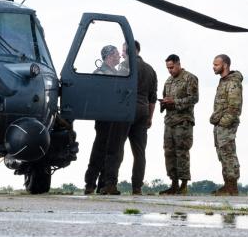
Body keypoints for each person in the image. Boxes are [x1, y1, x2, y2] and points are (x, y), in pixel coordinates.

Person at [113, 40, 157, 195]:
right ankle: (137, 187)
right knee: (139, 152)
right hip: (143, 112)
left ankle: (111, 184)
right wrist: (150, 117)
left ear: (132, 50)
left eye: (124, 51)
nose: (122, 54)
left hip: (126, 111)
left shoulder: (125, 65)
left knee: (117, 148)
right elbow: (153, 98)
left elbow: (117, 89)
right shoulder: (151, 70)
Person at [83, 45, 126, 194]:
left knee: (109, 151)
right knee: (99, 150)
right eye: (116, 54)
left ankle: (102, 184)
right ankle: (90, 183)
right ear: (109, 56)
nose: (119, 56)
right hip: (104, 119)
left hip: (113, 117)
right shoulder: (100, 73)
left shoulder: (116, 73)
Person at [159, 54, 199, 195]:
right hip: (169, 121)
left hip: (183, 122)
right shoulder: (168, 81)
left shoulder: (190, 78)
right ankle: (173, 183)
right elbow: (166, 97)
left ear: (178, 64)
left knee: (181, 152)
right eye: (168, 68)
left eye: (172, 67)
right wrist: (164, 103)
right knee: (169, 152)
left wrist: (174, 102)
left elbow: (194, 98)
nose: (170, 70)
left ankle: (183, 185)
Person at [209, 54, 243, 196]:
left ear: (225, 65)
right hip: (220, 125)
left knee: (228, 154)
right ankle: (227, 185)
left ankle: (232, 187)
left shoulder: (233, 82)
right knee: (222, 154)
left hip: (226, 125)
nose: (213, 67)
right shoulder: (223, 81)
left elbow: (234, 108)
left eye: (216, 65)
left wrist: (223, 124)